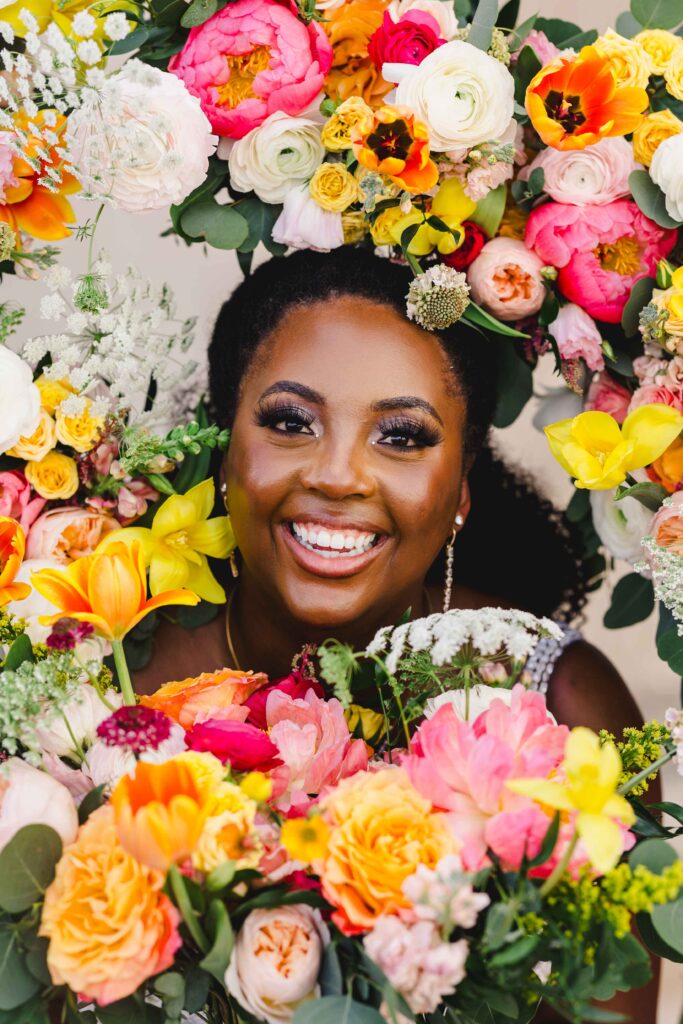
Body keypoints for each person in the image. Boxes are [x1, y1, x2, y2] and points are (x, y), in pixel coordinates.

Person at [135, 247, 659, 1019]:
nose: (339, 475)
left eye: (402, 436)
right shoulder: (109, 682)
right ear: (223, 449)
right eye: (290, 422)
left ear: (459, 492)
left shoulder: (565, 708)